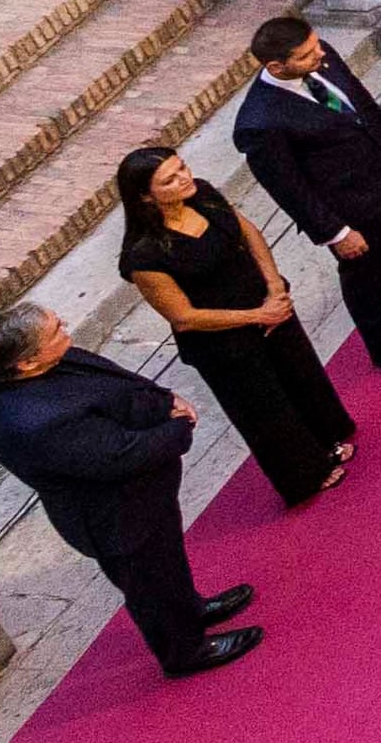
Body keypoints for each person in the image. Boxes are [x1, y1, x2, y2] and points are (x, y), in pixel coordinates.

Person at [0, 301, 252, 675]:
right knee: (149, 586)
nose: (65, 328)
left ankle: (191, 608)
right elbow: (120, 455)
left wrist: (166, 400)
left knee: (167, 562)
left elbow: (117, 381)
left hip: (143, 496)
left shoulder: (40, 363)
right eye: (56, 330)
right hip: (116, 517)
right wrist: (178, 427)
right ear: (26, 363)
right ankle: (186, 652)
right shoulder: (36, 421)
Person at [228, 16, 381, 377]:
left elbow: (361, 103)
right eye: (307, 54)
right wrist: (335, 233)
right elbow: (288, 188)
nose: (319, 54)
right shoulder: (260, 122)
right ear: (277, 66)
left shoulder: (322, 55)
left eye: (316, 46)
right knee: (365, 281)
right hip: (346, 210)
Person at [113, 144, 353, 507]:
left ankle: (328, 439)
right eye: (170, 180)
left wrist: (273, 287)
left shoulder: (204, 195)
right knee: (266, 411)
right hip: (224, 343)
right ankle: (305, 475)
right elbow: (184, 316)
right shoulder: (144, 255)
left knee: (302, 379)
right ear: (146, 196)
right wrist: (259, 316)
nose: (184, 179)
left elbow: (249, 233)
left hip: (269, 308)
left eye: (182, 168)